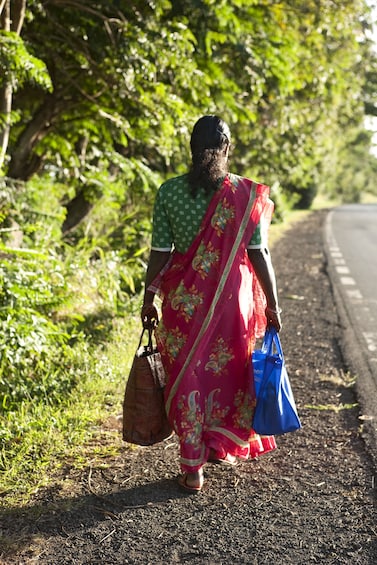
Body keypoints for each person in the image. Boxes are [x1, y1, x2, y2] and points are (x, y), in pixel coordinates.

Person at [141, 115, 281, 493]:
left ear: (191, 149)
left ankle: (193, 465)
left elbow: (160, 253)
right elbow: (258, 253)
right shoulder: (245, 194)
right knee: (226, 370)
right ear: (226, 148)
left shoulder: (168, 192)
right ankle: (217, 444)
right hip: (231, 300)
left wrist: (149, 296)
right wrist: (272, 304)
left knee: (189, 373)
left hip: (183, 302)